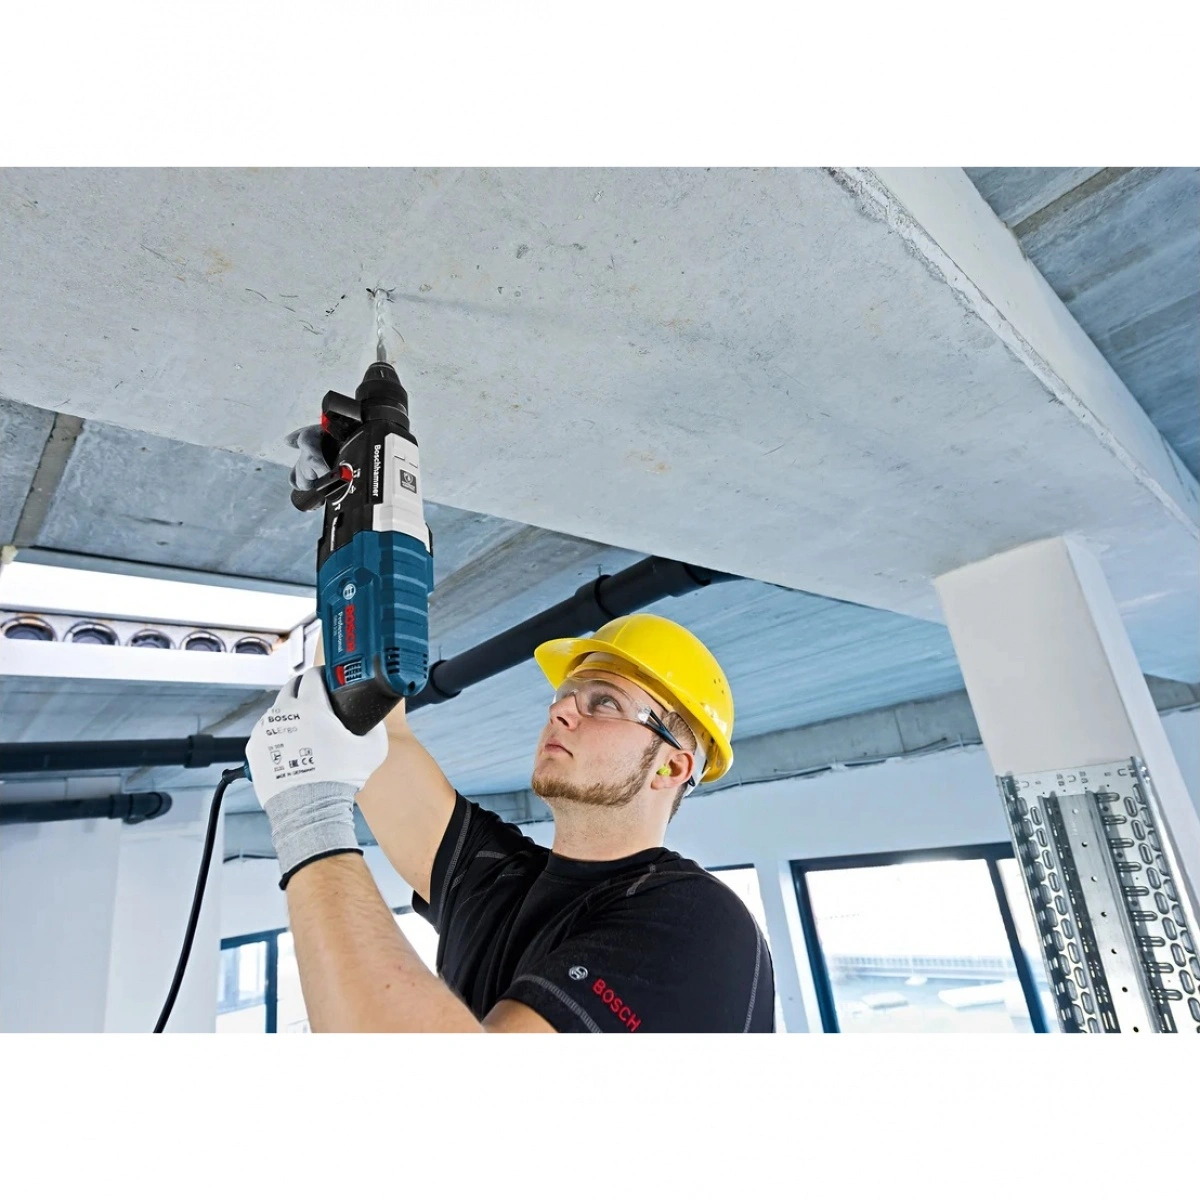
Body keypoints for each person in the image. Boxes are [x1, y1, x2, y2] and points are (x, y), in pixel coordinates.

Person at [246, 610, 776, 1033]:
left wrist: (306, 816)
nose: (560, 711)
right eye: (565, 696)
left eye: (605, 702)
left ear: (672, 767)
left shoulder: (700, 925)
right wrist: (362, 569)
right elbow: (382, 732)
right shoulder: (497, 881)